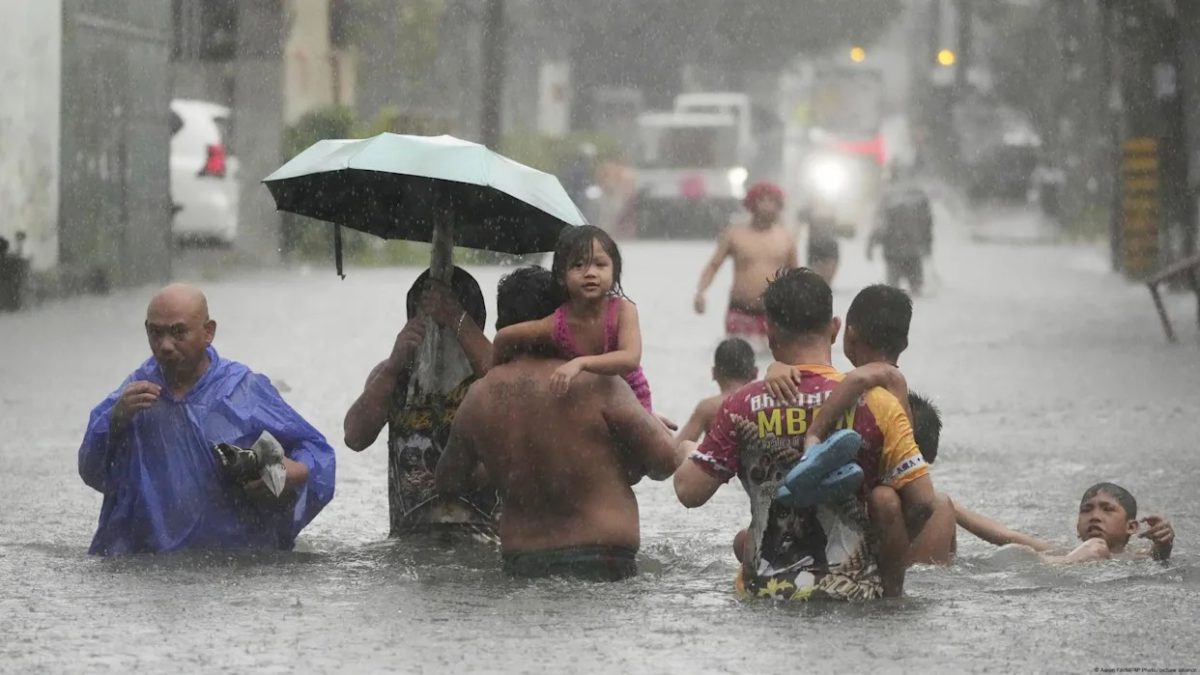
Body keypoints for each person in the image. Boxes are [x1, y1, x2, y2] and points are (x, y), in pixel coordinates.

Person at [673, 269, 937, 600]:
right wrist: (883, 559)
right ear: (835, 329)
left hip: (767, 596)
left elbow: (689, 492)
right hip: (854, 596)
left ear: (768, 333)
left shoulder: (740, 405)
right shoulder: (876, 403)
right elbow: (923, 502)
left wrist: (687, 451)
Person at [436, 266, 681, 581]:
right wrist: (639, 426)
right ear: (562, 321)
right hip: (604, 562)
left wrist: (500, 460)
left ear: (502, 326)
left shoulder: (478, 399)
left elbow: (448, 483)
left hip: (523, 566)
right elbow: (664, 462)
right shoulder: (596, 382)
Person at [78, 284, 335, 556]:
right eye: (156, 333)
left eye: (178, 332)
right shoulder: (133, 395)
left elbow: (317, 452)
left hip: (234, 563)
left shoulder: (241, 390)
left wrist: (292, 472)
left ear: (208, 332)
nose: (165, 345)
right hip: (147, 564)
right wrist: (116, 420)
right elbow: (91, 470)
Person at [768, 284, 956, 564]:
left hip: (872, 519)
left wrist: (814, 431)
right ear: (903, 344)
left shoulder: (874, 384)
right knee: (940, 505)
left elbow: (854, 380)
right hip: (906, 518)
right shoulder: (895, 386)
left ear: (848, 335)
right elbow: (923, 500)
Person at [343, 267, 497, 540]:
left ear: (476, 322)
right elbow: (355, 437)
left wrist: (454, 317)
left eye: (446, 324)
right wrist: (392, 365)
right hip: (411, 540)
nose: (439, 332)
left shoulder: (487, 377)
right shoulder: (394, 377)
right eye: (428, 319)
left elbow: (505, 385)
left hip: (483, 536)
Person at [492, 225, 654, 413]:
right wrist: (493, 375)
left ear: (615, 272)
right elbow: (504, 336)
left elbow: (630, 358)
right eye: (578, 265)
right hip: (586, 404)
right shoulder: (557, 324)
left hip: (632, 398)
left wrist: (580, 363)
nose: (590, 273)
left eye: (600, 264)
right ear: (561, 276)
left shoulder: (623, 311)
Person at [956, 483, 1175, 563]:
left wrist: (1164, 545)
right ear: (1077, 528)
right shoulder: (1060, 551)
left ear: (1132, 527)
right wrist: (947, 504)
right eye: (1086, 510)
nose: (1095, 516)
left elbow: (1157, 557)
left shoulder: (1136, 559)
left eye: (1107, 510)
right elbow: (1003, 535)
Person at [693, 181, 798, 346]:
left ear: (779, 205)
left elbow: (795, 276)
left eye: (773, 201)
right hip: (739, 311)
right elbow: (713, 266)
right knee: (737, 359)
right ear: (752, 202)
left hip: (774, 314)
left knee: (773, 360)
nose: (768, 206)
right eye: (763, 200)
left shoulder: (786, 238)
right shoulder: (734, 234)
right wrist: (701, 292)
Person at [675, 338, 758, 443]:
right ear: (755, 373)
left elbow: (677, 449)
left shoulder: (708, 407)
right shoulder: (762, 403)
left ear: (714, 373)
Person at [869, 182, 933, 295]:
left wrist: (871, 244)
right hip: (909, 251)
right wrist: (927, 244)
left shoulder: (889, 197)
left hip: (896, 251)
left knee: (896, 289)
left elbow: (880, 225)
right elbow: (926, 223)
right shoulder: (917, 197)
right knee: (914, 288)